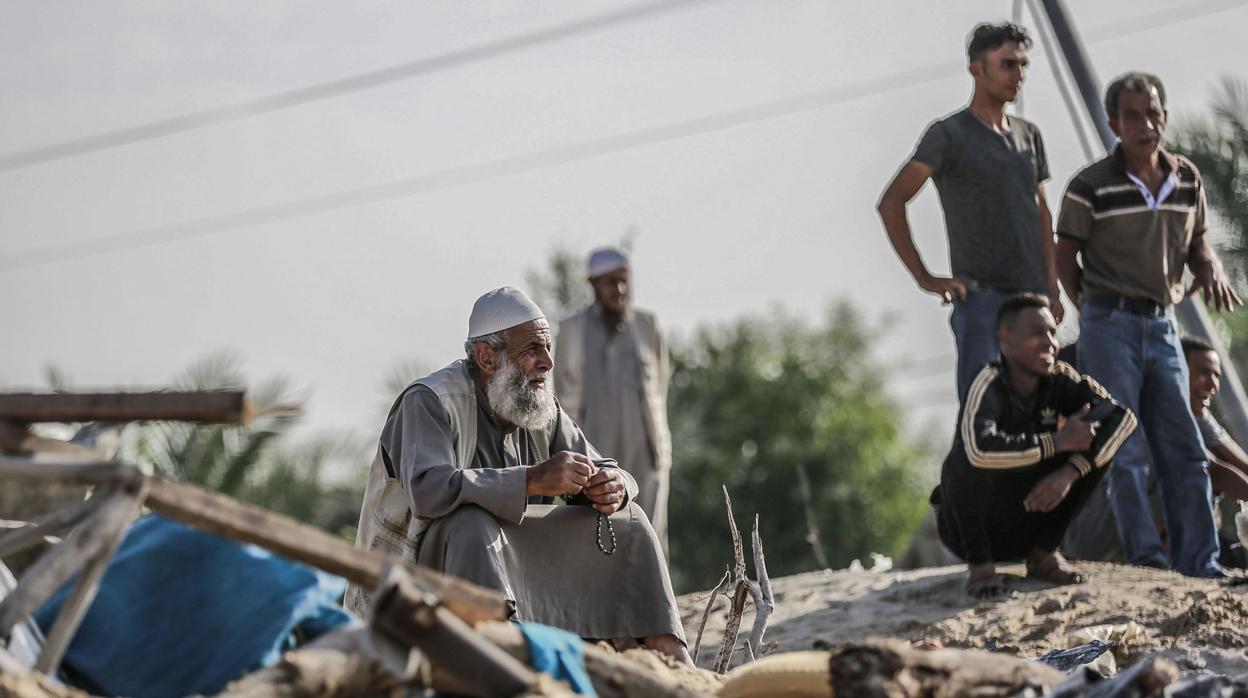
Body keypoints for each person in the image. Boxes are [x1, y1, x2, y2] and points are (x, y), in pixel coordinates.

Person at [345, 287, 689, 664]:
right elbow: (429, 492)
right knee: (470, 522)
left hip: (512, 569)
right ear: (487, 357)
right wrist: (531, 480)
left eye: (547, 349)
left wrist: (614, 485)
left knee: (631, 520)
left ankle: (666, 653)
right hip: (416, 580)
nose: (547, 363)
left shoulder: (538, 406)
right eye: (532, 350)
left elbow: (602, 466)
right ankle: (498, 657)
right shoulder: (430, 400)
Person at [1055, 71, 1242, 577]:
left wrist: (1211, 267)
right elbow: (1064, 256)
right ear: (1115, 123)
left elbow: (1198, 239)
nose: (1146, 124)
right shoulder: (1091, 186)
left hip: (1161, 324)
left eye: (1154, 113)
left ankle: (1200, 564)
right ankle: (1147, 561)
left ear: (1165, 117)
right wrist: (1092, 312)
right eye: (1133, 115)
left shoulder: (1186, 178)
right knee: (1127, 447)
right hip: (1109, 324)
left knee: (1184, 446)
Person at [878, 21, 1062, 403]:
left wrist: (1052, 286)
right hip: (982, 300)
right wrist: (926, 278)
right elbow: (892, 202)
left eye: (1024, 65)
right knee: (984, 412)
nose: (1019, 75)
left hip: (1032, 300)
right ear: (977, 68)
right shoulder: (948, 135)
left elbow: (1041, 211)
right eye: (1008, 64)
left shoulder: (1029, 136)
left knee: (1040, 411)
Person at [933, 293, 1137, 598]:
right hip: (970, 533)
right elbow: (978, 450)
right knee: (965, 459)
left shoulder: (1061, 379)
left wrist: (1068, 471)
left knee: (1095, 445)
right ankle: (980, 567)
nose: (1049, 342)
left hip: (1029, 521)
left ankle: (1044, 553)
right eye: (1037, 333)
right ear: (1006, 339)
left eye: (1052, 333)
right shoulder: (988, 381)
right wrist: (1055, 442)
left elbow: (1122, 418)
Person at [555, 247, 672, 551]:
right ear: (593, 284)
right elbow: (563, 398)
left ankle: (657, 598)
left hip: (646, 450)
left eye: (623, 281)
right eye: (609, 282)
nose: (619, 290)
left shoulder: (647, 325)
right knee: (601, 532)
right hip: (596, 452)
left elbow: (660, 384)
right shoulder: (572, 329)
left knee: (652, 532)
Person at [1182, 337, 1248, 501]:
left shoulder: (1199, 413)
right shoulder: (1161, 413)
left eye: (1216, 375)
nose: (1213, 385)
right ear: (1178, 371)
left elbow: (1243, 464)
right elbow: (1217, 473)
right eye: (1203, 372)